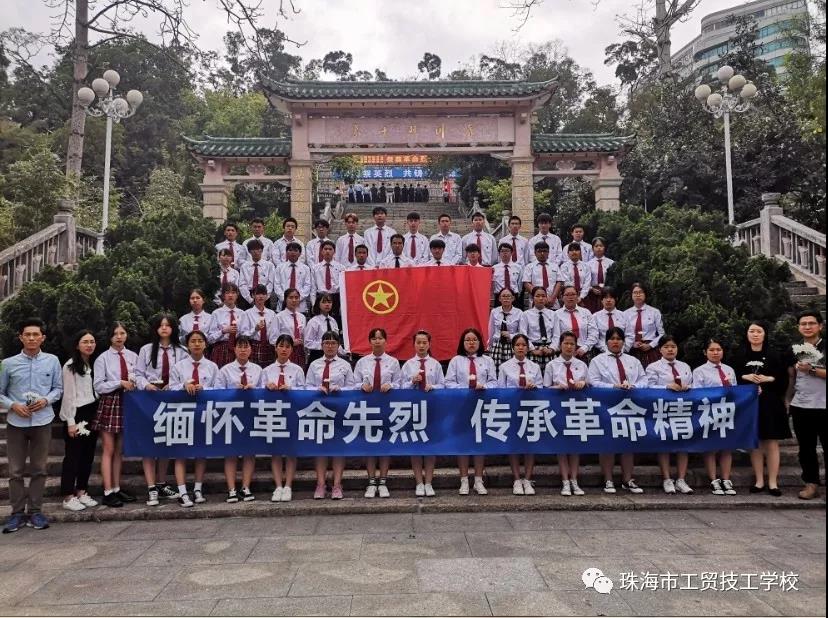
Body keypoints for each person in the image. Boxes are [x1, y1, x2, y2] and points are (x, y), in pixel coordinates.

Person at [0, 319, 63, 533]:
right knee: (15, 471)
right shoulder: (8, 363)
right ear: (21, 337)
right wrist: (13, 405)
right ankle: (17, 513)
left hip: (42, 421)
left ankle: (36, 511)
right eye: (27, 334)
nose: (32, 338)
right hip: (16, 423)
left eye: (36, 334)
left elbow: (58, 389)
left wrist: (46, 400)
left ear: (42, 338)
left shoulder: (52, 361)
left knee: (39, 469)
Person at [135, 313, 188, 506]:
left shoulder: (181, 351)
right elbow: (138, 374)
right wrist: (147, 385)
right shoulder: (146, 350)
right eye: (160, 325)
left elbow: (186, 375)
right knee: (149, 442)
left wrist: (174, 385)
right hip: (149, 400)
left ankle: (161, 483)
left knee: (166, 442)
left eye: (168, 325)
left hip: (172, 400)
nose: (164, 328)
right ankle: (151, 487)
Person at [736, 321, 793, 497]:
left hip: (770, 402)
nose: (755, 334)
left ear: (765, 334)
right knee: (756, 442)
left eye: (759, 331)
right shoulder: (739, 354)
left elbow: (783, 379)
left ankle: (773, 482)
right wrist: (745, 377)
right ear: (747, 334)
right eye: (752, 331)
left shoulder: (774, 354)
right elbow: (732, 376)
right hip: (748, 402)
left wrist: (769, 379)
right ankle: (759, 480)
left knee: (771, 442)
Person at [588, 327, 647, 494]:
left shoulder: (633, 361)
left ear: (623, 342)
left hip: (630, 405)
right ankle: (608, 479)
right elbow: (593, 382)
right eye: (612, 338)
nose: (615, 342)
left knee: (628, 443)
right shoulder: (597, 361)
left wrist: (634, 386)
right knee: (607, 443)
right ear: (606, 341)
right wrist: (613, 386)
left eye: (619, 339)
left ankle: (628, 479)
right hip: (607, 406)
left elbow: (644, 379)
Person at [169, 330, 220, 507]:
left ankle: (198, 488)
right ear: (188, 345)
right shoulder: (179, 366)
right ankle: (182, 491)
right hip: (182, 413)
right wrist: (183, 386)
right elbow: (170, 388)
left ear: (205, 344)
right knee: (181, 453)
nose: (197, 344)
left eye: (200, 341)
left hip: (204, 413)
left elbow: (219, 389)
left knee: (201, 452)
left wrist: (204, 389)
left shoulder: (212, 367)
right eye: (193, 341)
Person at [445, 328, 497, 495]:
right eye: (468, 340)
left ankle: (479, 480)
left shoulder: (488, 360)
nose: (471, 343)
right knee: (463, 443)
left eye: (474, 339)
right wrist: (464, 388)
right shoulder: (456, 361)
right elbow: (448, 383)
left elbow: (494, 382)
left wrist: (484, 386)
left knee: (479, 443)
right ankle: (464, 480)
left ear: (480, 342)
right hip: (462, 406)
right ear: (463, 343)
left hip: (482, 405)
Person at [92, 322, 138, 508]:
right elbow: (98, 385)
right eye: (115, 333)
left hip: (129, 402)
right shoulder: (102, 358)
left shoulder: (133, 356)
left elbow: (139, 377)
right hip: (111, 402)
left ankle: (117, 488)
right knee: (108, 449)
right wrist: (119, 383)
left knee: (119, 450)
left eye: (122, 333)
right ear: (109, 337)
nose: (119, 337)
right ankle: (107, 491)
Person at [306, 331, 357, 500]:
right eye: (326, 343)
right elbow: (306, 386)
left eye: (333, 343)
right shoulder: (314, 364)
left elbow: (352, 388)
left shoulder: (345, 365)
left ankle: (337, 484)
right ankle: (320, 484)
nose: (330, 346)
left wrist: (340, 389)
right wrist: (317, 389)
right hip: (319, 409)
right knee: (320, 447)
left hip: (339, 410)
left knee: (338, 448)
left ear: (338, 346)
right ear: (321, 345)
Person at [354, 328, 401, 498]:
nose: (377, 341)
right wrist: (361, 386)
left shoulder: (393, 362)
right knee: (370, 445)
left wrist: (391, 386)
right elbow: (353, 383)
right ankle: (371, 481)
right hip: (368, 408)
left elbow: (400, 383)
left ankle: (383, 481)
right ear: (370, 341)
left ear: (386, 341)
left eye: (380, 338)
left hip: (387, 408)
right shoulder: (362, 362)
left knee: (384, 444)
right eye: (374, 338)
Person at [646, 335, 694, 495]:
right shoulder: (653, 367)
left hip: (682, 408)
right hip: (663, 408)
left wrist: (688, 387)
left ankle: (681, 479)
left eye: (673, 346)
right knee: (664, 443)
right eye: (666, 347)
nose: (670, 349)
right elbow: (648, 387)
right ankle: (666, 478)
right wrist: (666, 387)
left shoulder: (685, 366)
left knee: (683, 444)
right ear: (660, 349)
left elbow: (694, 385)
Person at [786, 311, 826, 500]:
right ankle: (811, 484)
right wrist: (787, 399)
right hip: (801, 405)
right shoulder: (794, 349)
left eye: (811, 323)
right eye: (803, 324)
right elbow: (791, 377)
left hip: (824, 405)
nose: (807, 327)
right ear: (798, 327)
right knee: (806, 449)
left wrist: (811, 370)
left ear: (820, 326)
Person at [216, 336, 262, 503]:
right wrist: (232, 392)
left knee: (249, 452)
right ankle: (231, 489)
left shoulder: (258, 370)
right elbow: (217, 393)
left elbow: (264, 391)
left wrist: (254, 389)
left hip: (251, 414)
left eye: (246, 346)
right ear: (234, 349)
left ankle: (245, 487)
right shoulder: (225, 370)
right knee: (231, 452)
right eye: (240, 347)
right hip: (231, 415)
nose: (243, 350)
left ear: (251, 349)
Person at [58, 330, 99, 512]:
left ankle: (82, 491)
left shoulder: (92, 364)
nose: (89, 345)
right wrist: (70, 421)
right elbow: (68, 395)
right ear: (77, 345)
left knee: (87, 455)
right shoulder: (70, 366)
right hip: (77, 414)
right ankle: (68, 496)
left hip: (92, 412)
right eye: (85, 342)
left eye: (92, 341)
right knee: (73, 456)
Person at [400, 330, 445, 497]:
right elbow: (400, 387)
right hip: (413, 408)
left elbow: (443, 385)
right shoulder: (408, 364)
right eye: (418, 342)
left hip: (431, 408)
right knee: (416, 445)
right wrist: (412, 382)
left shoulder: (435, 364)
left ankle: (429, 482)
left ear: (429, 344)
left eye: (424, 342)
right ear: (413, 344)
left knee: (430, 445)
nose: (421, 345)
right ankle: (419, 482)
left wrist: (434, 387)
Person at [262, 335, 306, 502]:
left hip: (291, 413)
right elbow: (258, 392)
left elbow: (305, 391)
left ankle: (288, 485)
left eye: (288, 346)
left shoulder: (297, 370)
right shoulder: (267, 370)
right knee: (276, 451)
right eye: (281, 346)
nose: (284, 349)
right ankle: (278, 486)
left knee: (290, 451)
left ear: (292, 350)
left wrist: (291, 389)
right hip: (273, 414)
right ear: (275, 348)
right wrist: (267, 387)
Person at [692, 337, 738, 496]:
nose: (715, 352)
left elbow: (736, 391)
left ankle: (726, 479)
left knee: (726, 447)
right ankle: (713, 480)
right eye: (711, 350)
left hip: (727, 412)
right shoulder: (699, 371)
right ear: (705, 352)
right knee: (711, 446)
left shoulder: (729, 369)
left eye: (718, 349)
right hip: (709, 412)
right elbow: (697, 393)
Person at [498, 334, 542, 496]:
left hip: (530, 408)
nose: (521, 347)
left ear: (528, 348)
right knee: (514, 443)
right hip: (513, 408)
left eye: (524, 345)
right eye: (517, 345)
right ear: (513, 348)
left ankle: (528, 479)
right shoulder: (505, 367)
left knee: (530, 444)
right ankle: (517, 479)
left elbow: (542, 388)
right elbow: (500, 389)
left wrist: (534, 387)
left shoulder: (534, 367)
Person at [545, 331, 588, 496]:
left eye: (572, 344)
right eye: (566, 343)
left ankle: (574, 480)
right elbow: (545, 388)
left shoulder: (582, 365)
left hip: (577, 408)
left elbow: (590, 384)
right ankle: (565, 480)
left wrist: (583, 383)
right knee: (562, 445)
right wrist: (555, 388)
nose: (569, 347)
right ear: (560, 345)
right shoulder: (552, 365)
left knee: (575, 445)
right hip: (558, 408)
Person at [208, 283, 250, 368]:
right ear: (223, 295)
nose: (230, 295)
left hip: (238, 349)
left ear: (237, 295)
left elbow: (246, 334)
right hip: (221, 349)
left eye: (233, 292)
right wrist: (223, 331)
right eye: (227, 293)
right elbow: (210, 339)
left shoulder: (242, 313)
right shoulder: (216, 313)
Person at [553, 285, 598, 362]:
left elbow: (594, 333)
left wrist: (584, 348)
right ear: (562, 297)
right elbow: (556, 336)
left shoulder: (586, 312)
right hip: (564, 353)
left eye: (573, 294)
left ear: (577, 296)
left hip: (584, 352)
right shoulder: (556, 314)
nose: (570, 297)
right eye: (567, 295)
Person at [623, 282, 664, 368]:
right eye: (635, 293)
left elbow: (661, 333)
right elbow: (622, 334)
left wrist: (651, 345)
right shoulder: (625, 314)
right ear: (631, 295)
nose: (638, 295)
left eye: (640, 292)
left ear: (645, 294)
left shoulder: (654, 312)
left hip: (651, 350)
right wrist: (631, 344)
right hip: (632, 350)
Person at [519, 286, 557, 375]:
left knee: (550, 377)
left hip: (548, 349)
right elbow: (523, 334)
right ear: (533, 298)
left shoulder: (553, 314)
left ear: (546, 298)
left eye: (543, 296)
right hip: (533, 349)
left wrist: (552, 348)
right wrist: (532, 349)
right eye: (537, 296)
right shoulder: (526, 314)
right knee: (532, 377)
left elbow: (556, 335)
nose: (541, 298)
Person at [487, 288, 523, 371]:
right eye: (503, 296)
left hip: (512, 345)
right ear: (499, 299)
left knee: (512, 370)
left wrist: (510, 336)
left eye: (508, 296)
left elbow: (521, 333)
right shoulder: (494, 312)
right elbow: (491, 331)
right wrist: (490, 346)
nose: (506, 298)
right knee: (496, 370)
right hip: (497, 346)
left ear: (513, 298)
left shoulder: (519, 313)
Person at [244, 284, 278, 368]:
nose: (261, 296)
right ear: (253, 295)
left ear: (266, 296)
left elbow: (274, 332)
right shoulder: (247, 313)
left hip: (269, 346)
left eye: (263, 294)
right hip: (254, 345)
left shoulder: (272, 314)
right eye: (258, 294)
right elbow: (244, 334)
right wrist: (255, 329)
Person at [592, 287, 634, 354]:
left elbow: (630, 335)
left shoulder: (624, 316)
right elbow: (595, 337)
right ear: (601, 300)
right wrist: (607, 349)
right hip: (602, 353)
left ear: (616, 299)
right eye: (605, 298)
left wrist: (622, 349)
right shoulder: (595, 317)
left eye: (611, 297)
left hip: (622, 352)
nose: (608, 300)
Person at [273, 242, 313, 313]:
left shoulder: (305, 268)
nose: (293, 252)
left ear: (300, 253)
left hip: (300, 306)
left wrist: (297, 299)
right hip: (283, 304)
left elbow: (307, 285)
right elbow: (277, 285)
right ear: (286, 252)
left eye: (295, 250)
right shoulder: (280, 268)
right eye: (290, 250)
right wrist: (285, 299)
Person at [312, 240, 346, 322]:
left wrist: (343, 305)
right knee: (321, 322)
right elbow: (313, 287)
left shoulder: (341, 267)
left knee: (335, 322)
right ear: (321, 251)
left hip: (335, 297)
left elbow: (343, 288)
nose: (328, 251)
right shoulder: (315, 268)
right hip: (321, 297)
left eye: (330, 249)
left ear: (334, 251)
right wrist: (313, 303)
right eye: (325, 249)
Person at [521, 242, 562, 310]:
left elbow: (559, 282)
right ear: (535, 253)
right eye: (539, 251)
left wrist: (552, 298)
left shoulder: (555, 266)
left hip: (552, 303)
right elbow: (526, 283)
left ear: (548, 252)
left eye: (545, 251)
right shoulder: (529, 267)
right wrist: (541, 297)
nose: (542, 253)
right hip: (536, 304)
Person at [305, 293, 342, 366]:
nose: (327, 304)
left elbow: (336, 340)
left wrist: (343, 351)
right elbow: (307, 343)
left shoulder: (333, 321)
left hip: (333, 355)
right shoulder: (314, 321)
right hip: (317, 355)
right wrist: (325, 346)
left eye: (329, 302)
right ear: (318, 304)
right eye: (324, 302)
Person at [275, 288, 308, 368]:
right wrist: (290, 343)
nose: (294, 300)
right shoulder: (279, 317)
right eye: (291, 297)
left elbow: (304, 335)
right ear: (285, 299)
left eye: (296, 298)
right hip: (285, 351)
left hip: (300, 352)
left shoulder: (302, 317)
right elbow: (273, 339)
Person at [239, 239, 276, 306]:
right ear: (249, 251)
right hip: (248, 297)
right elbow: (242, 284)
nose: (256, 252)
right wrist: (250, 299)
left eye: (258, 249)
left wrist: (264, 298)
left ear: (262, 250)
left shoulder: (269, 265)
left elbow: (270, 283)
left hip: (264, 295)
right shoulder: (244, 266)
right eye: (253, 249)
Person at [584, 237, 613, 313]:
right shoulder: (587, 264)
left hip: (607, 293)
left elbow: (613, 280)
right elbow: (585, 281)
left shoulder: (611, 263)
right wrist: (591, 289)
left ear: (604, 247)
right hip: (593, 294)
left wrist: (607, 289)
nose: (599, 248)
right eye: (596, 246)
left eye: (601, 246)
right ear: (593, 248)